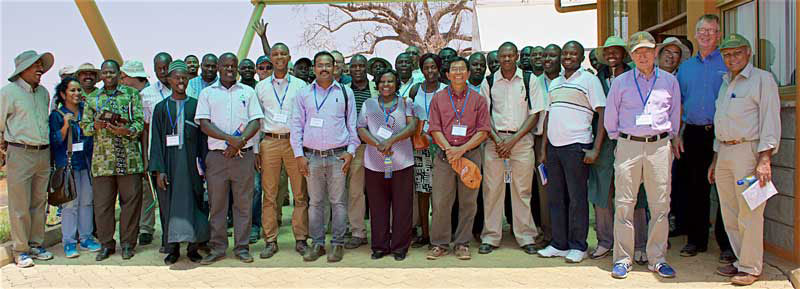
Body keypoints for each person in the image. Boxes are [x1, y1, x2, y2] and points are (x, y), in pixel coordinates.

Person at [605, 31, 681, 279]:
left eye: (647, 50)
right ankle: (623, 259)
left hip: (659, 146)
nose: (643, 55)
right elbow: (610, 120)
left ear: (655, 51)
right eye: (638, 52)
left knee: (660, 205)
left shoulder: (669, 81)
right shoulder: (621, 82)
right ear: (632, 55)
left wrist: (667, 138)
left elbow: (675, 116)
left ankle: (656, 258)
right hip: (628, 145)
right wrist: (624, 139)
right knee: (624, 204)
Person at [710, 33, 781, 286]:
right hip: (725, 153)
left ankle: (752, 267)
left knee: (750, 212)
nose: (732, 59)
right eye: (727, 55)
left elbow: (770, 121)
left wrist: (764, 160)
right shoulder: (724, 82)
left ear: (748, 53)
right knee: (729, 212)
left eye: (737, 53)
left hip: (749, 152)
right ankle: (741, 261)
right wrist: (715, 159)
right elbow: (722, 122)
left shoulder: (762, 80)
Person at [536, 41, 605, 264]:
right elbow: (548, 116)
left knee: (577, 199)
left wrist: (596, 148)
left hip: (576, 147)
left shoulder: (589, 80)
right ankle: (559, 243)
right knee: (555, 198)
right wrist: (544, 148)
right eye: (565, 53)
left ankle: (578, 246)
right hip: (554, 149)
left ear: (580, 57)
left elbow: (602, 114)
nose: (568, 57)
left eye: (573, 53)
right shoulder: (555, 83)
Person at [675, 14, 734, 263]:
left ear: (719, 35)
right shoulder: (686, 67)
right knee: (695, 187)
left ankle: (726, 243)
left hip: (721, 132)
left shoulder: (728, 62)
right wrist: (677, 134)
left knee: (724, 189)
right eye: (702, 30)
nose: (706, 34)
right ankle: (696, 240)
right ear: (696, 34)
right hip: (694, 133)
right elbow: (677, 104)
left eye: (711, 30)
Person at [290, 51, 359, 263]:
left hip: (338, 156)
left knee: (338, 202)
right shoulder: (303, 94)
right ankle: (318, 244)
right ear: (314, 68)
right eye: (320, 65)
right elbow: (296, 126)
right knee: (316, 203)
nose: (324, 69)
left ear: (335, 68)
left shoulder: (346, 93)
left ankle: (337, 244)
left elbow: (352, 126)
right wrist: (299, 155)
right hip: (312, 158)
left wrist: (351, 152)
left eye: (328, 65)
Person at [195, 52, 264, 265]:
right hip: (217, 157)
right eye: (225, 65)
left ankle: (242, 248)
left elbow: (256, 121)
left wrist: (240, 142)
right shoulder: (207, 93)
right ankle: (218, 248)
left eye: (233, 65)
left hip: (243, 156)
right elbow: (204, 124)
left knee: (243, 204)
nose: (230, 69)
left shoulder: (248, 91)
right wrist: (229, 140)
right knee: (217, 205)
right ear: (218, 67)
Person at [479, 42, 544, 255]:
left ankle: (526, 237)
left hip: (522, 142)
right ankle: (491, 236)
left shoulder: (530, 79)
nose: (506, 60)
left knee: (522, 190)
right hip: (494, 143)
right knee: (492, 190)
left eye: (510, 56)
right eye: (502, 57)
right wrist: (498, 140)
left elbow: (535, 114)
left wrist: (512, 140)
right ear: (498, 58)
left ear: (516, 56)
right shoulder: (489, 82)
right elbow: (484, 116)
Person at [590, 36, 649, 263]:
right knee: (602, 191)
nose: (611, 55)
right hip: (603, 144)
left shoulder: (636, 77)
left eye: (616, 51)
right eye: (608, 52)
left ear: (625, 55)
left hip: (631, 140)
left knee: (636, 192)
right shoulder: (598, 79)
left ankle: (640, 244)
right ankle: (606, 241)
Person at [426, 56, 490, 261]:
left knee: (468, 202)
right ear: (447, 74)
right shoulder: (438, 98)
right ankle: (439, 243)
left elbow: (483, 131)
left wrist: (461, 150)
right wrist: (449, 150)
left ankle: (462, 243)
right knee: (441, 202)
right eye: (454, 69)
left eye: (462, 69)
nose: (458, 73)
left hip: (470, 156)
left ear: (469, 74)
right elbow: (434, 128)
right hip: (445, 157)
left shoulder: (478, 99)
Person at [80, 59, 145, 261]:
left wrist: (128, 130)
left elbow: (140, 122)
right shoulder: (93, 98)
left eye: (112, 72)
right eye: (105, 73)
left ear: (119, 74)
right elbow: (85, 127)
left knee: (131, 204)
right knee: (103, 206)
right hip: (103, 161)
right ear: (101, 75)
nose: (108, 76)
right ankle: (106, 245)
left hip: (129, 158)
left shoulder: (132, 95)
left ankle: (127, 244)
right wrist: (96, 126)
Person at [148, 60, 210, 265]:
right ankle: (172, 248)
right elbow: (155, 140)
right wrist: (159, 171)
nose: (181, 81)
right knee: (169, 207)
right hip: (169, 165)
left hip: (192, 166)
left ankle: (193, 247)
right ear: (169, 80)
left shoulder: (196, 105)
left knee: (195, 204)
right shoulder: (160, 108)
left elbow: (203, 139)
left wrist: (205, 167)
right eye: (177, 78)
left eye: (184, 77)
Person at [255, 43, 310, 259]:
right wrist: (255, 149)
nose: (279, 57)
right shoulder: (261, 87)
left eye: (282, 54)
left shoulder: (301, 85)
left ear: (289, 57)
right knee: (269, 194)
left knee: (300, 193)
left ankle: (301, 238)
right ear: (271, 57)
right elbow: (256, 119)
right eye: (275, 54)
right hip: (268, 142)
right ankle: (270, 240)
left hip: (294, 143)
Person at [1, 50, 56, 267]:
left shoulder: (43, 93)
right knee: (19, 205)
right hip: (19, 152)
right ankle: (20, 250)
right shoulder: (7, 93)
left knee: (39, 203)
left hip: (43, 153)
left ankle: (36, 245)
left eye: (42, 66)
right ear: (22, 70)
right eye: (36, 66)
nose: (41, 70)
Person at [357, 69, 418, 261]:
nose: (386, 85)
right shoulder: (369, 104)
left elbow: (412, 126)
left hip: (402, 162)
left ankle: (400, 247)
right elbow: (361, 128)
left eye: (390, 81)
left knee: (402, 206)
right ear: (377, 84)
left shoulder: (406, 103)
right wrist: (378, 144)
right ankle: (380, 246)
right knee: (377, 206)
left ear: (396, 83)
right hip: (375, 163)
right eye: (382, 81)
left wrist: (391, 140)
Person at [49, 77, 101, 258]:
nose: (77, 93)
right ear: (63, 94)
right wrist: (65, 125)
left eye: (79, 90)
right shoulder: (57, 115)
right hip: (68, 166)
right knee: (70, 205)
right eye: (72, 90)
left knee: (87, 202)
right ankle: (69, 242)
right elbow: (55, 142)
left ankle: (86, 237)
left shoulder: (86, 113)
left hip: (85, 164)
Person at [408, 53, 447, 248]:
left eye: (433, 67)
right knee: (423, 193)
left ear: (439, 69)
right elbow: (410, 115)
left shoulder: (446, 90)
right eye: (426, 67)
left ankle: (439, 235)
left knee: (441, 194)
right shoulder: (415, 90)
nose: (430, 71)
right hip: (421, 147)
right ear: (421, 70)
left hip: (442, 147)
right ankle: (424, 233)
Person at [528, 44, 561, 246]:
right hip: (540, 141)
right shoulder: (534, 82)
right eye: (541, 55)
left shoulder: (568, 80)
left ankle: (566, 234)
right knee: (544, 189)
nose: (545, 59)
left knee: (566, 190)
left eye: (550, 55)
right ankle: (549, 235)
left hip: (564, 140)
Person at [139, 52, 172, 249]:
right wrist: (145, 157)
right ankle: (166, 237)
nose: (163, 72)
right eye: (159, 68)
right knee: (163, 198)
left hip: (179, 153)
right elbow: (144, 129)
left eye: (166, 67)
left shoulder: (181, 88)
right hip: (158, 153)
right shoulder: (147, 95)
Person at [343, 54, 377, 250]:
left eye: (360, 66)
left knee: (379, 191)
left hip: (376, 146)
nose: (357, 69)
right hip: (354, 147)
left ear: (366, 68)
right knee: (355, 191)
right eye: (353, 66)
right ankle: (358, 232)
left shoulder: (376, 88)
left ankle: (384, 230)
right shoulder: (344, 91)